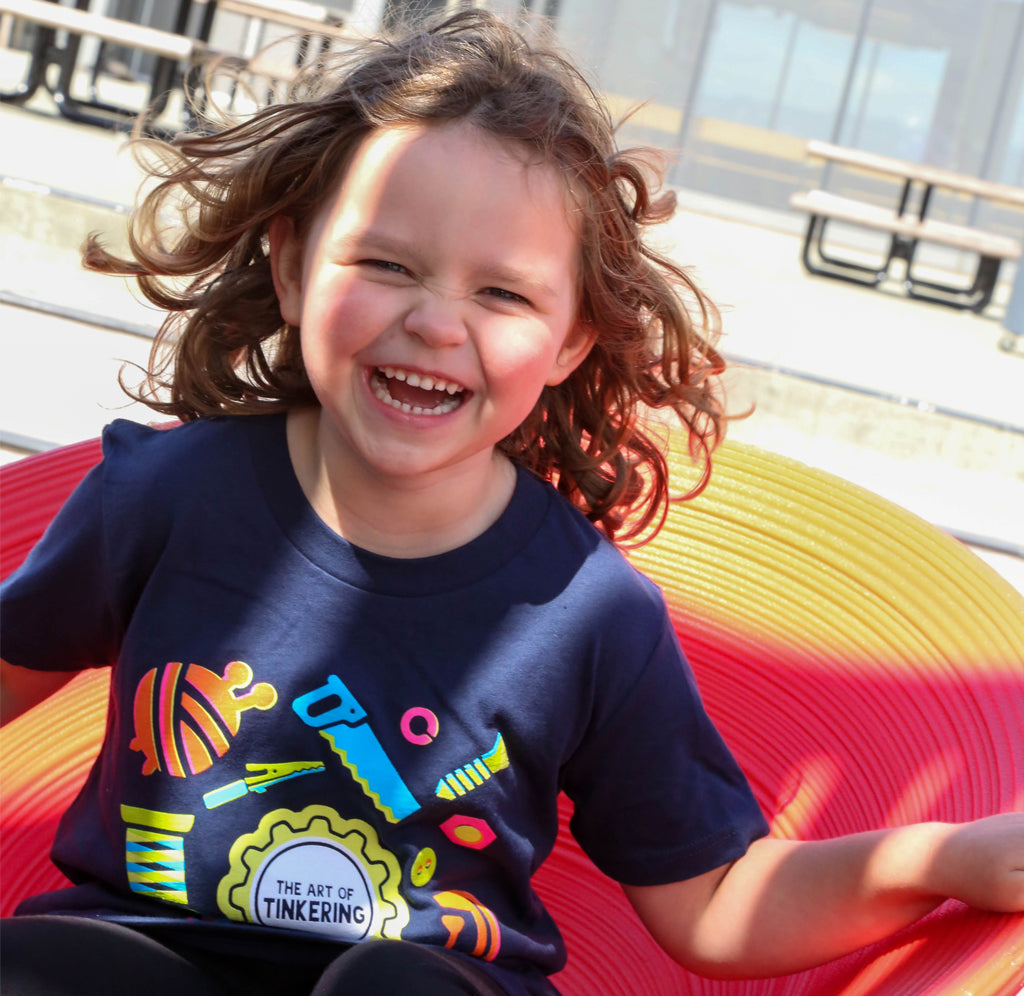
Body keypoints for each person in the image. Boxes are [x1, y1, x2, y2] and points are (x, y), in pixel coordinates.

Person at [1, 10, 1021, 996]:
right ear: (295, 266)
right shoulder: (163, 497)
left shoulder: (586, 614)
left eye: (502, 294)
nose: (436, 323)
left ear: (572, 339)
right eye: (386, 265)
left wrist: (940, 860)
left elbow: (714, 900)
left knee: (390, 985)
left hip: (430, 980)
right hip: (150, 953)